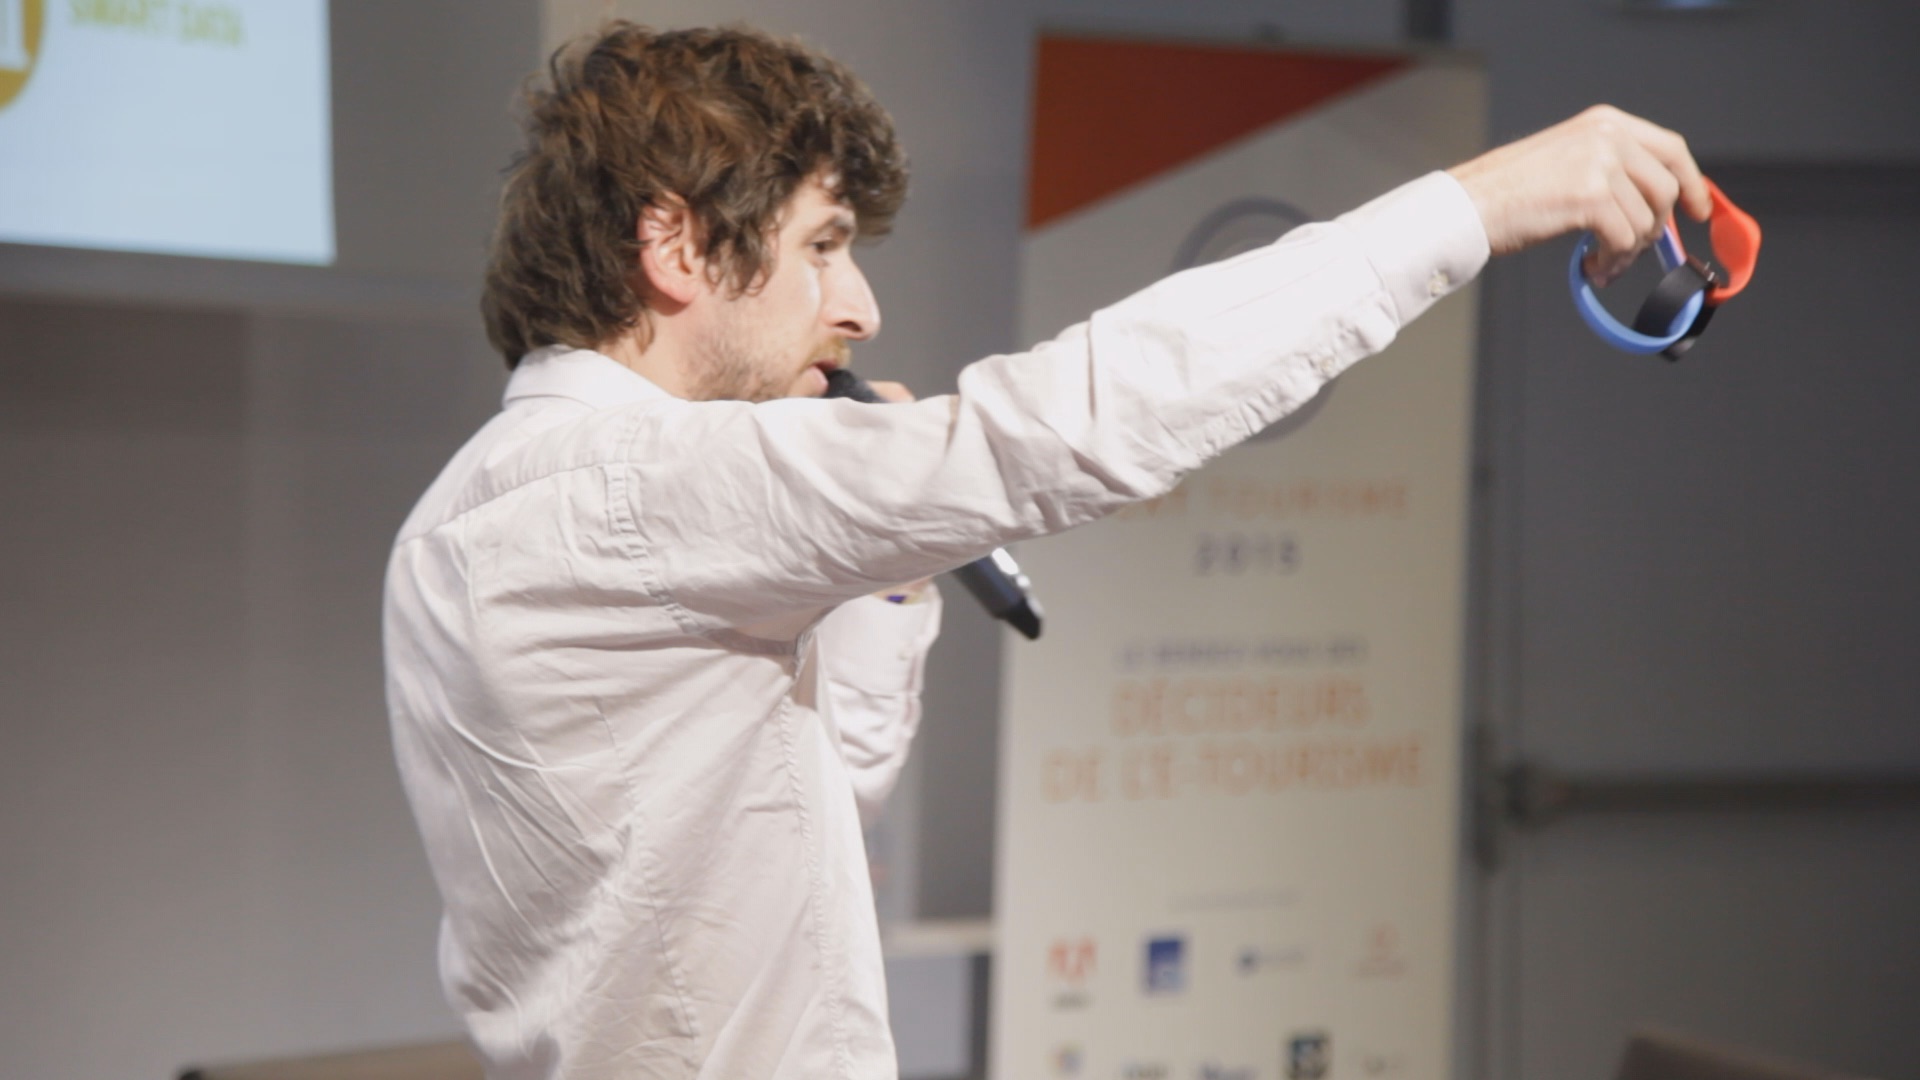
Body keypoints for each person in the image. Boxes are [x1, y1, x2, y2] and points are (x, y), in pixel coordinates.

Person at [382, 20, 1709, 1080]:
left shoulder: (477, 510)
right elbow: (1067, 425)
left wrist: (889, 574)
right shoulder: (632, 487)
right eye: (823, 247)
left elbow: (804, 818)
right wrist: (1479, 204)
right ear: (674, 245)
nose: (859, 307)